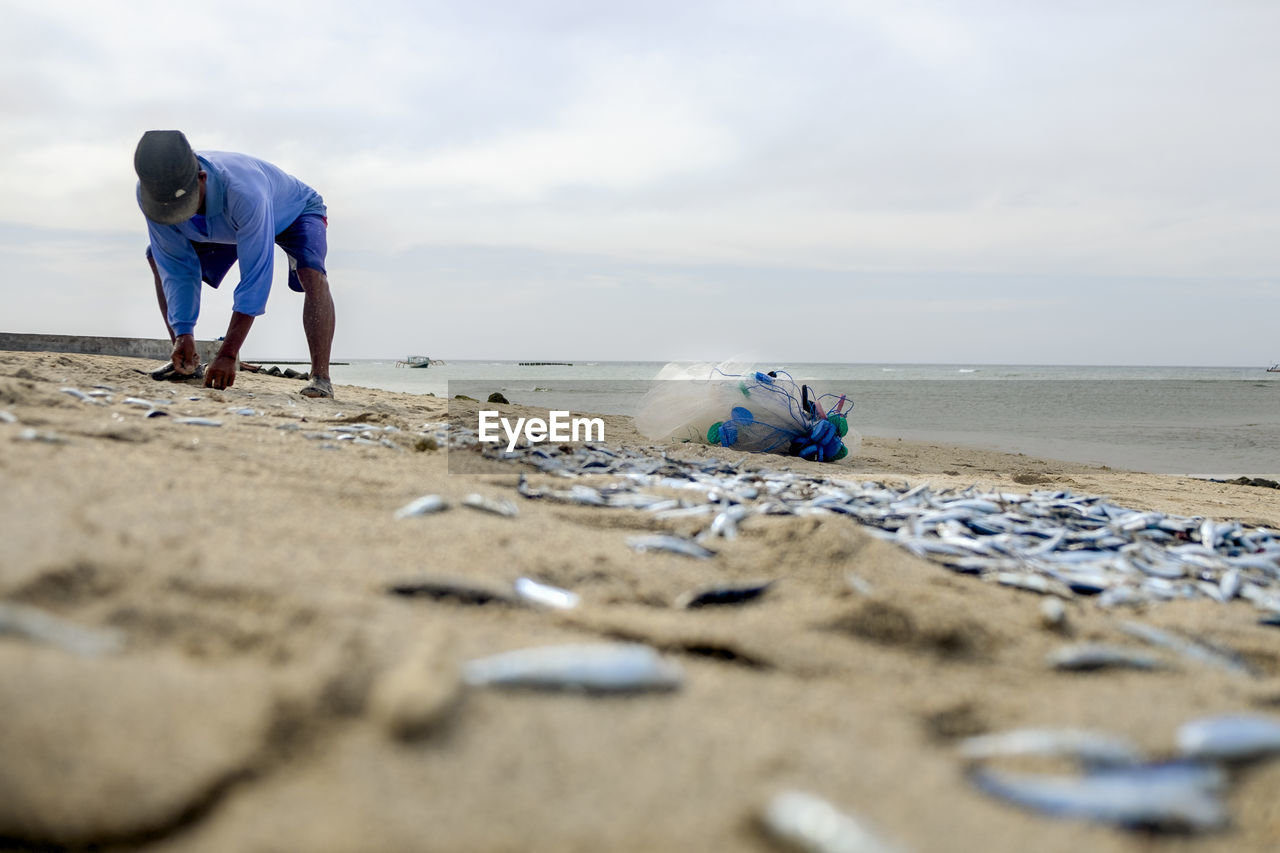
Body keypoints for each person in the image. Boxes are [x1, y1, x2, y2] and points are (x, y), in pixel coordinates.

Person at [134, 130, 336, 397]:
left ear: (201, 179)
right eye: (169, 208)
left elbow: (256, 276)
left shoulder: (244, 192)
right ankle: (185, 361)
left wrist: (228, 354)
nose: (177, 213)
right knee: (155, 256)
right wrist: (184, 333)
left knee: (310, 271)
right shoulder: (151, 195)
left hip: (295, 212)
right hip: (224, 223)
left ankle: (321, 377)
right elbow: (176, 267)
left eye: (184, 204)